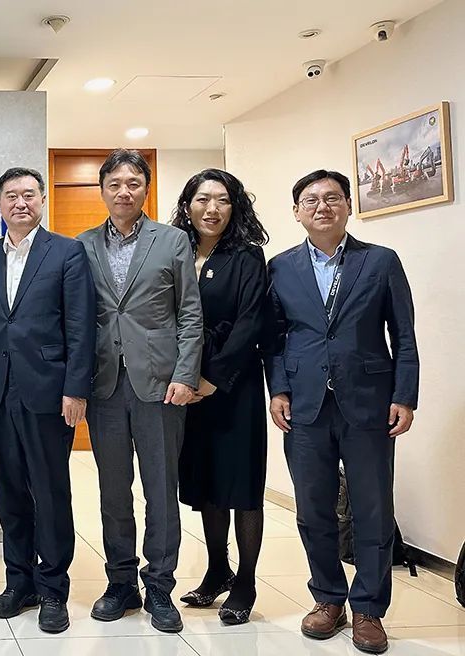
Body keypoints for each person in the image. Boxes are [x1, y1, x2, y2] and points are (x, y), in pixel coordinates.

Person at [266, 169, 418, 655]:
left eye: (332, 198)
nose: (322, 206)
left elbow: (404, 335)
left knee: (373, 508)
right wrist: (278, 389)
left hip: (369, 402)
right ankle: (328, 598)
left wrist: (405, 395)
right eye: (311, 200)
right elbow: (274, 339)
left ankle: (369, 608)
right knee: (313, 508)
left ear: (349, 206)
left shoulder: (380, 261)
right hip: (304, 404)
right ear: (297, 212)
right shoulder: (280, 267)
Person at [75, 149, 202, 634]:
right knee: (112, 491)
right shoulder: (82, 245)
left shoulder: (172, 241)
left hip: (160, 384)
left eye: (133, 183)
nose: (123, 192)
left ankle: (161, 587)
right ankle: (120, 583)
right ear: (102, 191)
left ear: (145, 189)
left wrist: (185, 375)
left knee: (160, 491)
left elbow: (190, 313)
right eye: (114, 184)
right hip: (104, 384)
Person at [0, 166, 95, 634]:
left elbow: (81, 325)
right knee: (11, 490)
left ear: (41, 200)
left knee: (50, 490)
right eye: (11, 195)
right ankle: (18, 581)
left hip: (49, 391)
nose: (20, 203)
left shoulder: (66, 252)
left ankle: (53, 588)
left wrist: (75, 388)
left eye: (28, 194)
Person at [170, 169, 270, 625]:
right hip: (186, 383)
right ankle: (217, 570)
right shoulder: (176, 249)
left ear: (235, 207)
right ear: (187, 205)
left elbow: (251, 321)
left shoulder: (246, 255)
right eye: (202, 199)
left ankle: (245, 581)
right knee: (207, 482)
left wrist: (213, 377)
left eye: (223, 200)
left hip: (233, 384)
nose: (212, 209)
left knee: (241, 485)